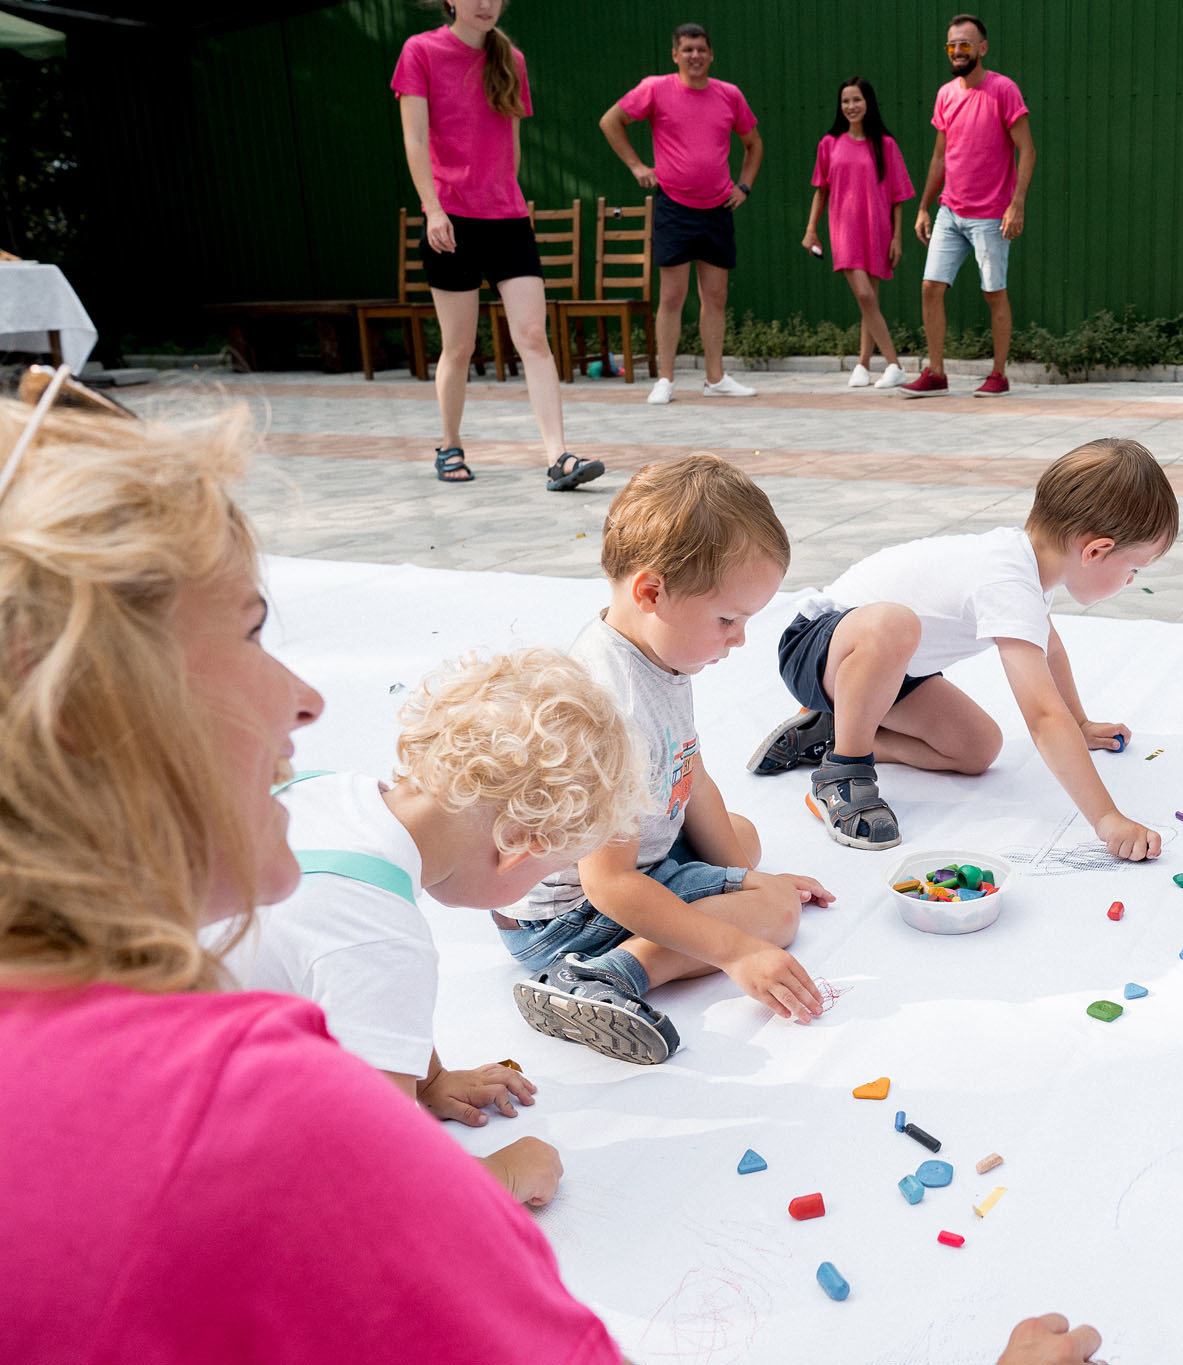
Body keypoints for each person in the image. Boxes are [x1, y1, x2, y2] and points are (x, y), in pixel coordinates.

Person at [0, 377, 621, 1359]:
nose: (305, 699)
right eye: (250, 631)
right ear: (87, 705)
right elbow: (389, 1191)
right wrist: (490, 1185)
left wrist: (432, 1075)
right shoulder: (264, 1109)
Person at [215, 649, 643, 1207]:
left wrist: (430, 1078)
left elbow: (358, 995)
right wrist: (504, 1176)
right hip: (202, 1147)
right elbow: (384, 1181)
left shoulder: (324, 791)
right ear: (517, 847)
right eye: (555, 868)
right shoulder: (385, 938)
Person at [504, 456, 835, 1064]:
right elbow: (609, 884)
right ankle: (604, 976)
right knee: (778, 915)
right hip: (572, 916)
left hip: (620, 868)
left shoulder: (652, 648)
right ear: (651, 591)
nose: (739, 639)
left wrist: (742, 879)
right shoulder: (613, 708)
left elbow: (691, 774)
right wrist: (738, 944)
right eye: (728, 619)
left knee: (743, 839)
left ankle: (721, 903)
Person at [747, 438, 1177, 857]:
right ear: (1096, 550)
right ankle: (843, 769)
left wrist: (1080, 724)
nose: (1131, 581)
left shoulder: (1029, 569)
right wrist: (1106, 818)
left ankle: (827, 732)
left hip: (885, 673)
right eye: (1133, 568)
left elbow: (1052, 651)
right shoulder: (1006, 578)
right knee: (893, 624)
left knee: (977, 748)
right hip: (817, 648)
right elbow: (1044, 717)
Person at [392, 0, 604, 492]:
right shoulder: (420, 51)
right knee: (460, 346)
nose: (485, 3)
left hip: (507, 218)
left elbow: (511, 145)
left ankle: (559, 458)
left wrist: (506, 196)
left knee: (532, 335)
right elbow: (415, 140)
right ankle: (449, 443)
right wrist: (434, 208)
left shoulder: (513, 61)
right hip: (450, 221)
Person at [599, 22, 764, 403]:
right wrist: (638, 167)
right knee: (672, 296)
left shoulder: (730, 95)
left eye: (701, 49)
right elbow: (611, 121)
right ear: (675, 55)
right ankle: (666, 380)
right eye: (687, 50)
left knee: (716, 296)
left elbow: (753, 144)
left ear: (711, 54)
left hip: (718, 207)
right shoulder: (655, 88)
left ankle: (716, 379)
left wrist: (744, 187)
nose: (695, 56)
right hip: (674, 206)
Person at [901, 13, 1035, 399]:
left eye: (965, 44)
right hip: (950, 211)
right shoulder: (946, 94)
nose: (958, 51)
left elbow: (1027, 150)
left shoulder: (1003, 89)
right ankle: (937, 374)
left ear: (982, 48)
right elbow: (940, 158)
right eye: (952, 45)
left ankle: (998, 374)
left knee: (994, 293)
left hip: (992, 214)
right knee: (930, 287)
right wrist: (925, 206)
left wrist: (1017, 204)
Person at [803, 77, 917, 390]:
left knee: (871, 302)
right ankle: (894, 364)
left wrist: (897, 238)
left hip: (877, 229)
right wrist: (811, 229)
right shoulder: (829, 144)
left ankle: (863, 365)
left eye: (856, 100)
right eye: (845, 101)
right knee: (865, 295)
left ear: (868, 102)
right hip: (843, 230)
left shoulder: (886, 145)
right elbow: (821, 190)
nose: (851, 106)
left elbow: (898, 196)